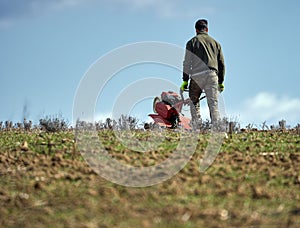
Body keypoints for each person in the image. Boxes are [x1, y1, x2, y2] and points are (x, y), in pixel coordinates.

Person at [181, 19, 225, 126]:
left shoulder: (191, 42)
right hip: (212, 75)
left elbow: (187, 63)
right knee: (213, 104)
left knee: (194, 102)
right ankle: (217, 129)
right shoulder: (216, 44)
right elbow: (222, 64)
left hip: (196, 76)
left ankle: (197, 127)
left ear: (196, 30)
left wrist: (185, 80)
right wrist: (221, 82)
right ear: (207, 29)